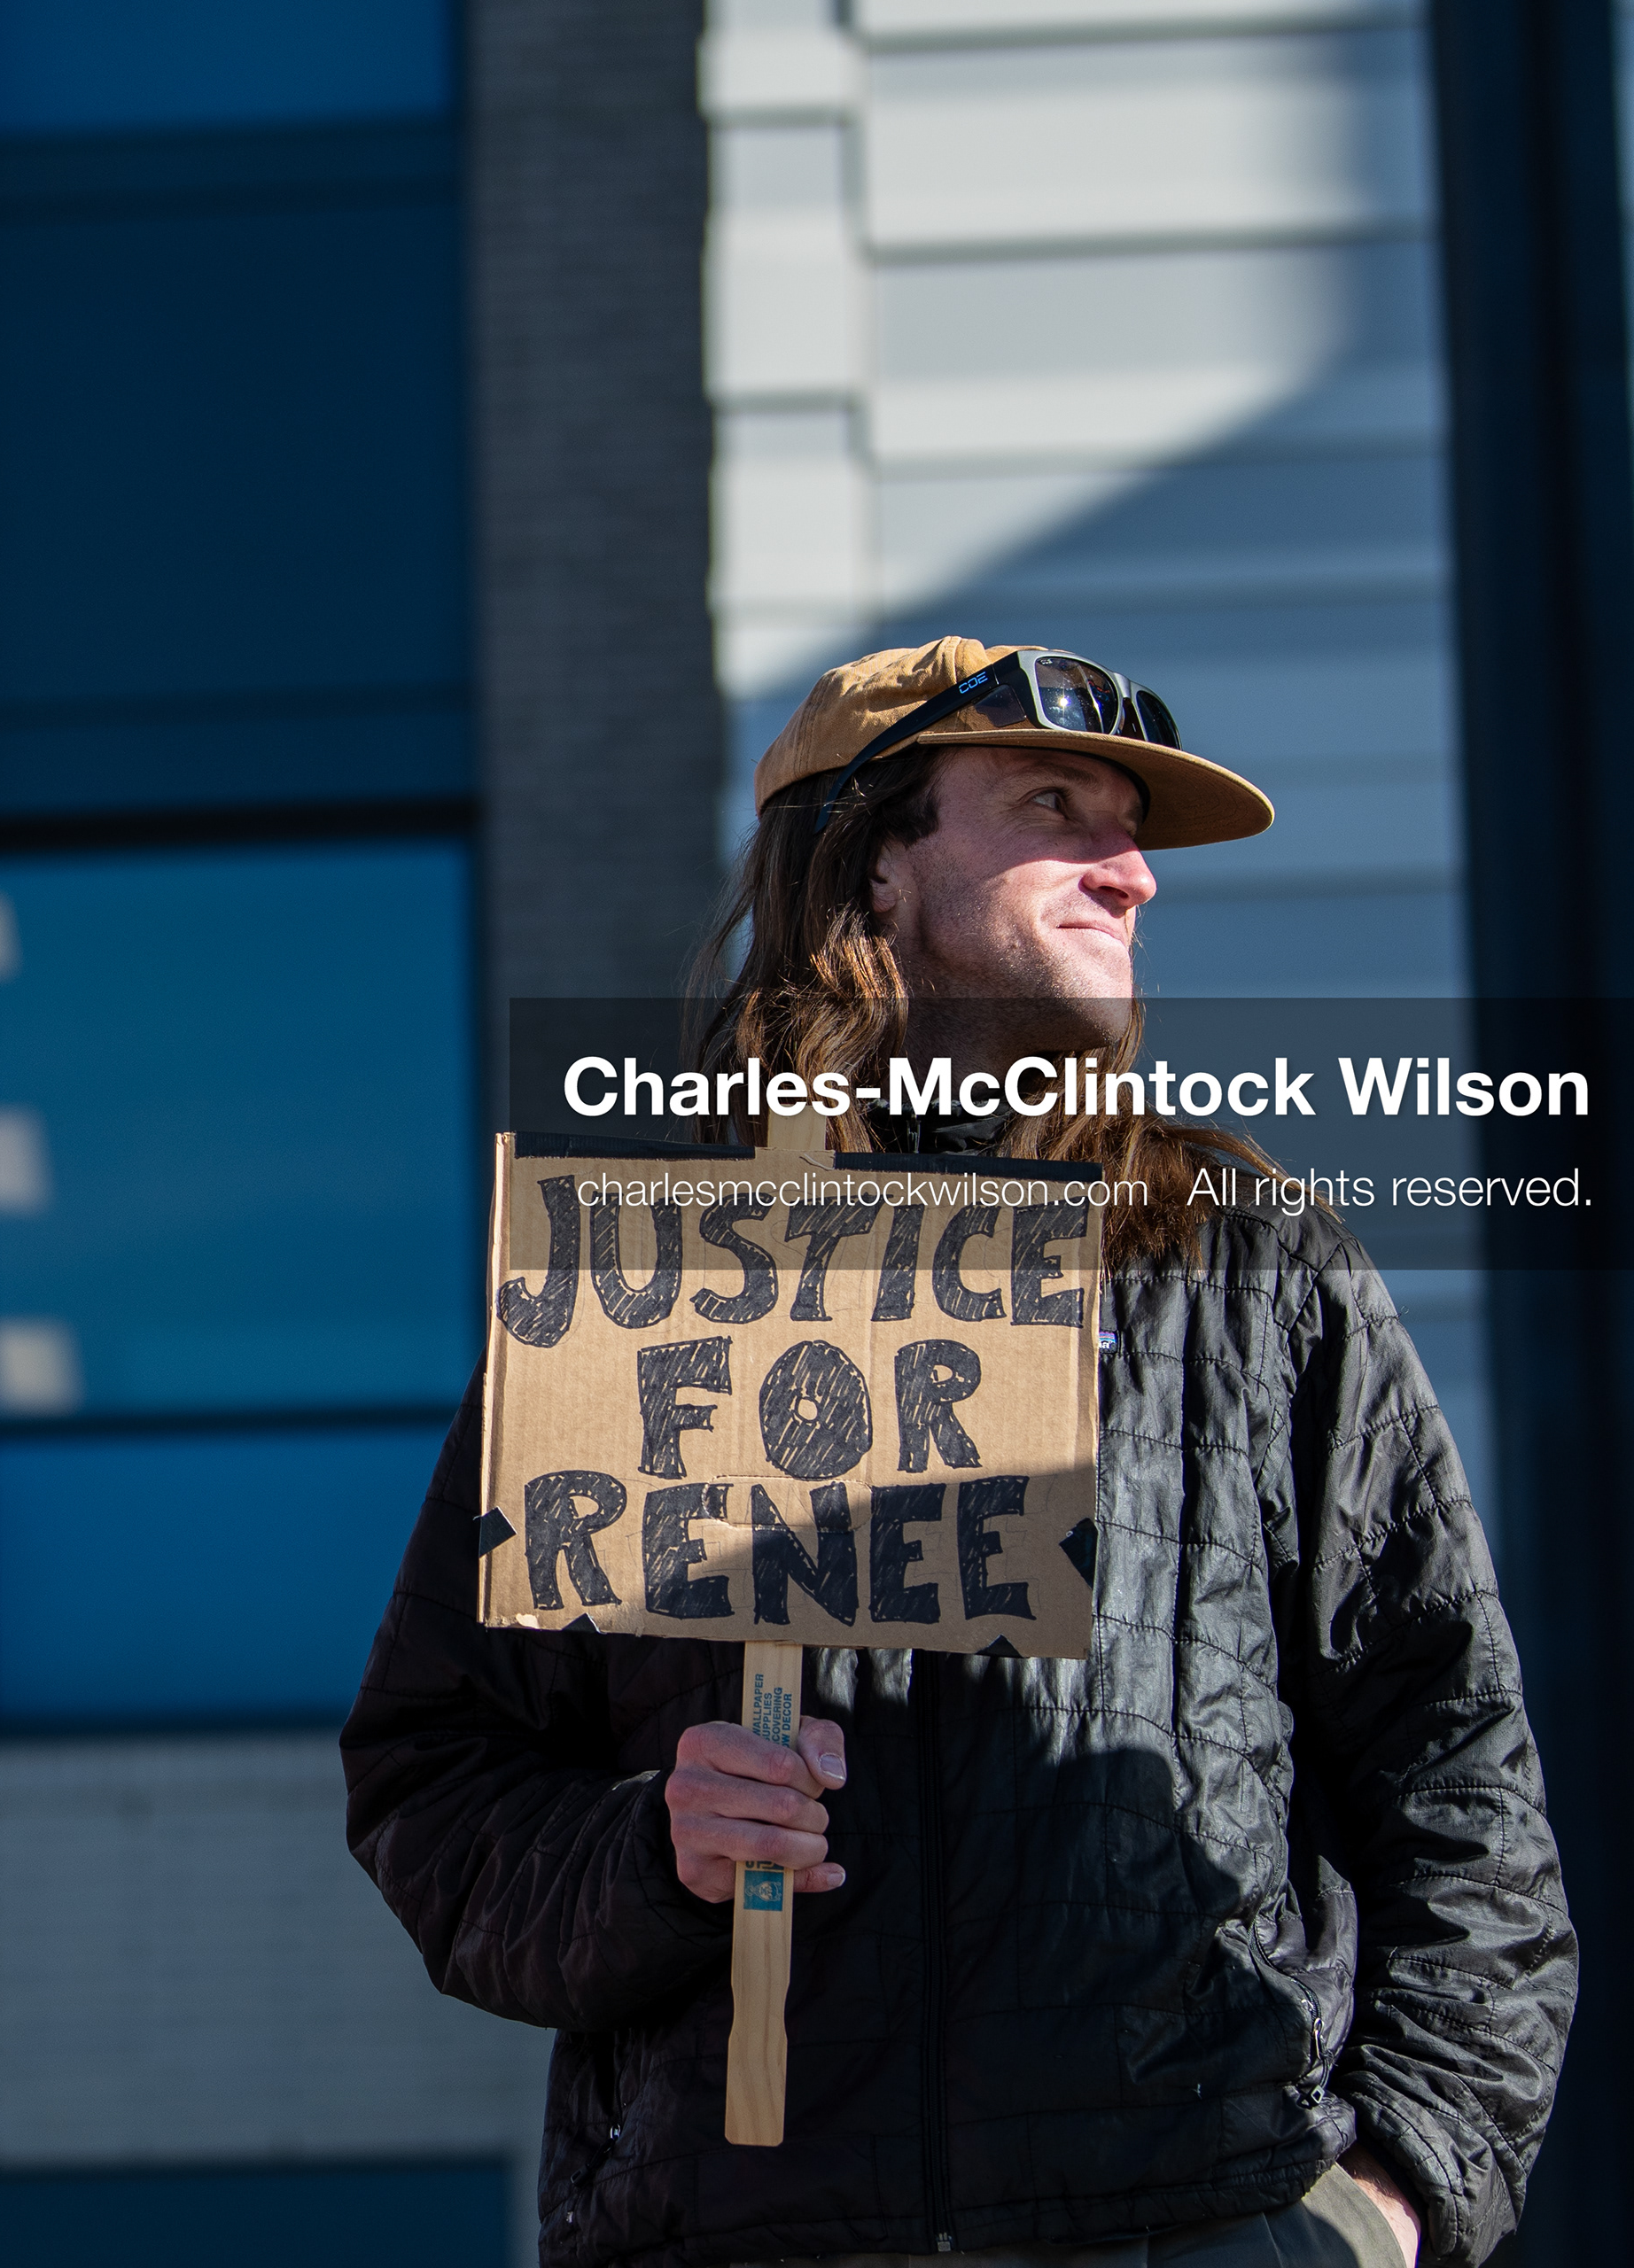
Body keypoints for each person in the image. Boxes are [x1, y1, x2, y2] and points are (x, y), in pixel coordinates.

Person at [343, 641, 1574, 2268]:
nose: (1129, 873)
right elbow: (435, 1783)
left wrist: (1392, 2204)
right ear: (868, 860)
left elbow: (1462, 1777)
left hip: (1200, 2218)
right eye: (1055, 808)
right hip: (747, 2227)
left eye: (1129, 828)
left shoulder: (1241, 1255)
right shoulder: (657, 1275)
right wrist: (655, 1849)